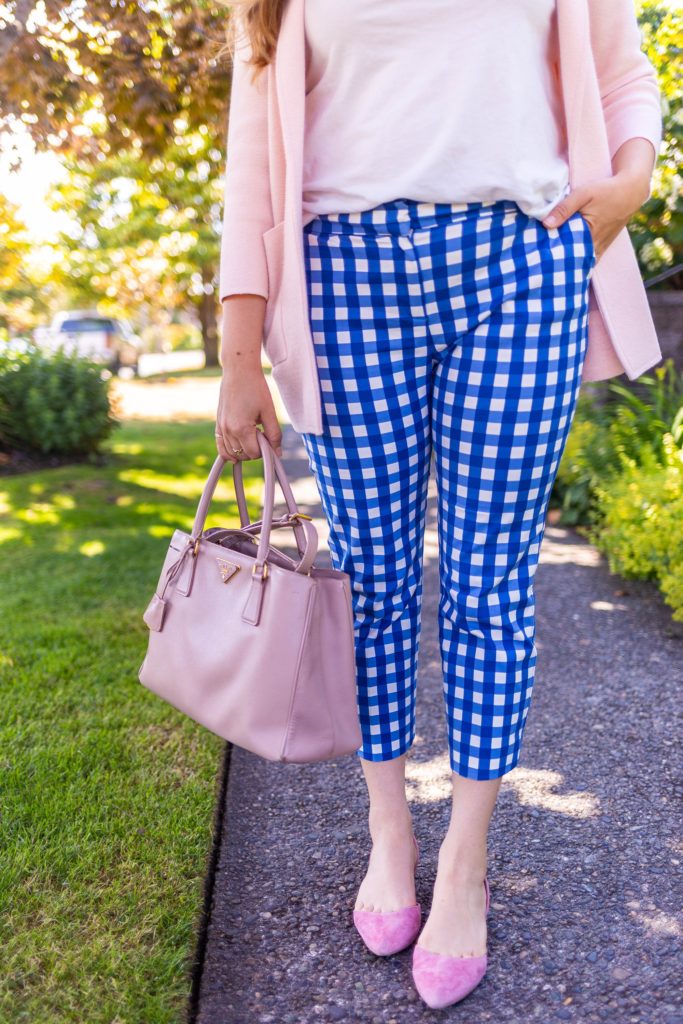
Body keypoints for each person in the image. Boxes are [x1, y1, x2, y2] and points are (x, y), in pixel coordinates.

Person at [214, 0, 662, 1009]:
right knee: (370, 580)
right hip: (339, 277)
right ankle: (387, 831)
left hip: (520, 259)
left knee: (486, 583)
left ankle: (463, 860)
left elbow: (622, 73)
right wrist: (238, 353)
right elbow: (249, 168)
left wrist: (629, 180)